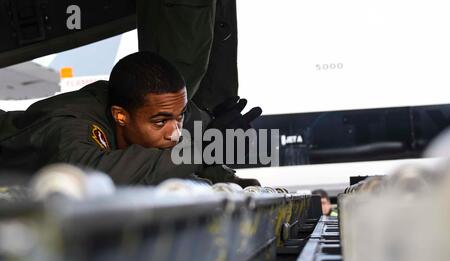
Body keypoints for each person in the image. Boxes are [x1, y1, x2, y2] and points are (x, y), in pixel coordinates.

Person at [0, 51, 261, 187]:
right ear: (120, 116)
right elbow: (98, 175)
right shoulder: (68, 126)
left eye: (178, 118)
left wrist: (222, 174)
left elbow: (191, 140)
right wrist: (204, 150)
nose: (175, 133)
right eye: (160, 122)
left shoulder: (159, 108)